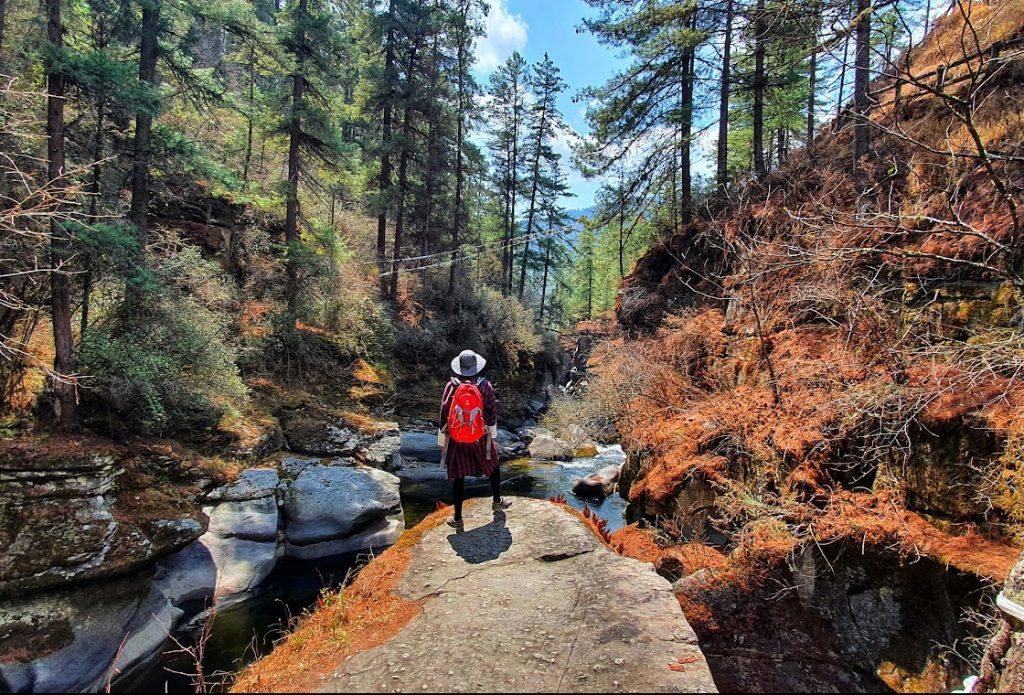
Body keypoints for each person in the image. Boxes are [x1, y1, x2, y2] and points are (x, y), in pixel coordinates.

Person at [438, 349, 513, 530]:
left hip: (457, 439)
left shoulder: (452, 386)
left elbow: (444, 414)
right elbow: (491, 413)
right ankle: (496, 502)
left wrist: (442, 442)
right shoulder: (485, 385)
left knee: (459, 476)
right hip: (480, 436)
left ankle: (457, 518)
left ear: (460, 368)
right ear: (476, 368)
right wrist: (491, 434)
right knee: (493, 465)